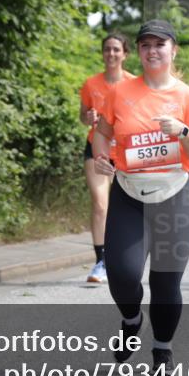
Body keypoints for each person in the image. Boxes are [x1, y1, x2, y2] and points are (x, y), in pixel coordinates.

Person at [91, 20, 189, 373]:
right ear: (139, 52)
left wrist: (183, 131)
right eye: (145, 45)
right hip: (129, 194)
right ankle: (131, 321)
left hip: (175, 195)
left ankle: (162, 348)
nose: (152, 50)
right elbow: (101, 133)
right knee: (123, 275)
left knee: (165, 281)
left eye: (160, 44)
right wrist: (101, 157)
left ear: (173, 50)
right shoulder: (121, 92)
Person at [79, 33, 134, 284]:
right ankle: (101, 262)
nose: (111, 54)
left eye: (116, 50)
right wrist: (88, 119)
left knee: (127, 208)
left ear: (125, 54)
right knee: (101, 204)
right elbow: (83, 116)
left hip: (126, 152)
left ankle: (126, 256)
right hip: (97, 149)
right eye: (107, 50)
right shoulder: (91, 84)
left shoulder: (135, 85)